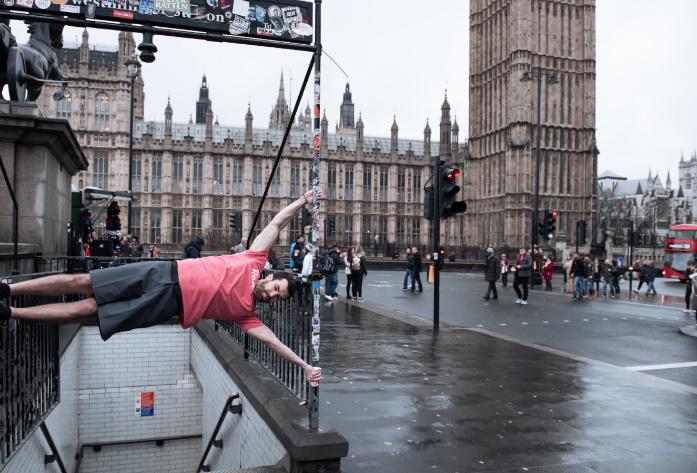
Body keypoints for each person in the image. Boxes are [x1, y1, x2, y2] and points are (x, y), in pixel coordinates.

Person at [0, 190, 323, 386]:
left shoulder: (247, 315)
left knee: (88, 309)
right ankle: (8, 290)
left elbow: (274, 343)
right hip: (162, 271)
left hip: (167, 304)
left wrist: (306, 367)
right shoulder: (253, 259)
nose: (272, 293)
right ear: (269, 277)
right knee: (82, 281)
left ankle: (10, 311)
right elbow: (277, 222)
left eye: (277, 296)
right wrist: (303, 201)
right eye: (275, 287)